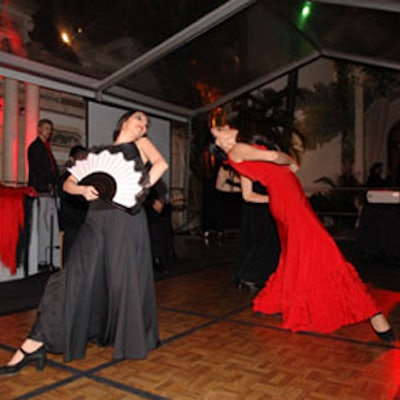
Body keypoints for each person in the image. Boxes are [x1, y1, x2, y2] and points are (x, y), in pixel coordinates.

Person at [0, 110, 168, 375]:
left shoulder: (140, 145)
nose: (142, 125)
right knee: (69, 279)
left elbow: (161, 164)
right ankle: (35, 342)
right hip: (95, 222)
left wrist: (140, 186)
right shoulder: (96, 152)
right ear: (124, 121)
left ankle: (128, 335)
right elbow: (68, 183)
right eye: (138, 119)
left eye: (146, 123)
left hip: (125, 221)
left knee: (123, 281)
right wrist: (81, 190)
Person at [210, 124, 394, 342]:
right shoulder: (238, 149)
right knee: (326, 251)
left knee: (300, 254)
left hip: (288, 204)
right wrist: (291, 161)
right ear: (219, 142)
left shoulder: (236, 157)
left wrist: (278, 198)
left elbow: (248, 196)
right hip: (291, 206)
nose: (226, 126)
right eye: (220, 129)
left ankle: (290, 299)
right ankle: (373, 314)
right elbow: (275, 156)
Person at [235, 175, 280, 291]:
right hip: (258, 209)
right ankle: (250, 276)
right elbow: (248, 196)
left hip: (260, 209)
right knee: (261, 242)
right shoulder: (246, 165)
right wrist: (276, 198)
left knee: (261, 241)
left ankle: (254, 276)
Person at [58, 145, 89, 265]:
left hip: (83, 218)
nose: (84, 162)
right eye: (81, 158)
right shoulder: (66, 178)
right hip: (72, 220)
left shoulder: (87, 177)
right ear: (72, 159)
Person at [28, 119, 59, 194]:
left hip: (46, 187)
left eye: (50, 129)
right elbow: (38, 168)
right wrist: (50, 181)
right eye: (47, 129)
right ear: (39, 129)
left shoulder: (46, 147)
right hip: (39, 188)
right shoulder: (36, 147)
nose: (49, 131)